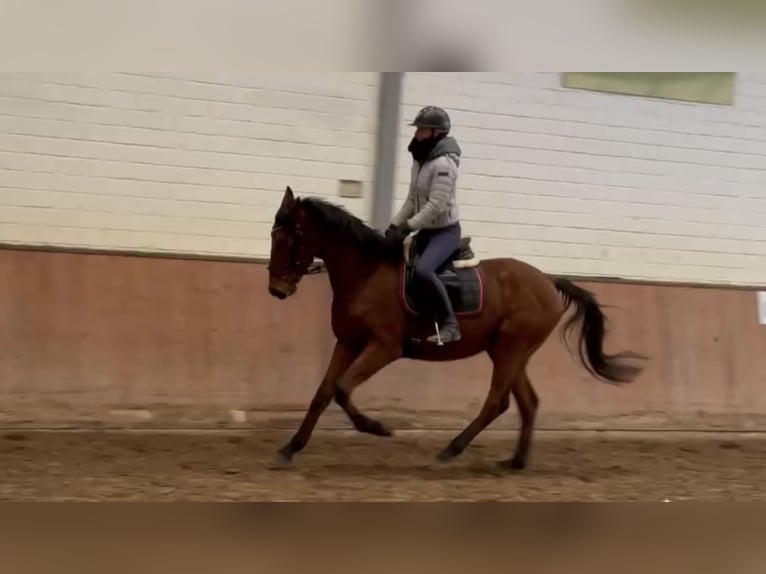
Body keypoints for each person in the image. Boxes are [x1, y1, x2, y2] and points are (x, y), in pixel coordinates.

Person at [386, 105, 463, 344]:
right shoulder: (420, 161)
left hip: (445, 233)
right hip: (426, 230)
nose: (416, 133)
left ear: (436, 133)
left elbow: (435, 206)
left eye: (421, 129)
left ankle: (451, 324)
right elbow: (412, 200)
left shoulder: (443, 165)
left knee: (423, 271)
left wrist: (408, 227)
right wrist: (393, 226)